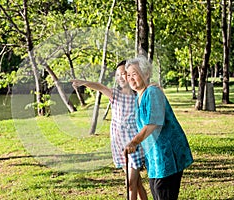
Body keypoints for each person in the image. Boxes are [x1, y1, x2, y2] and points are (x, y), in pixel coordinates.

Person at [71, 60, 148, 200]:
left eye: (124, 74)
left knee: (130, 184)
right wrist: (83, 82)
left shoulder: (138, 96)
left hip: (133, 145)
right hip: (119, 144)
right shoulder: (115, 95)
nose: (121, 77)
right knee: (136, 183)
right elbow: (99, 87)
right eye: (118, 75)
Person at [124, 56, 194, 200]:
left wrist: (134, 142)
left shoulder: (152, 92)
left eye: (135, 74)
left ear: (146, 74)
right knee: (157, 192)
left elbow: (153, 123)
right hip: (155, 157)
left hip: (167, 155)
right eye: (128, 75)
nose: (131, 78)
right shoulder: (140, 96)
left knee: (163, 193)